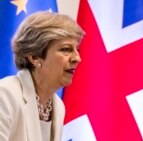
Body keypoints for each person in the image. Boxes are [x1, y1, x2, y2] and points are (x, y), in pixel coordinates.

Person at [0, 11, 84, 141]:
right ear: (34, 57)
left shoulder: (58, 106)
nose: (77, 58)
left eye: (77, 49)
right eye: (66, 49)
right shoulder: (5, 95)